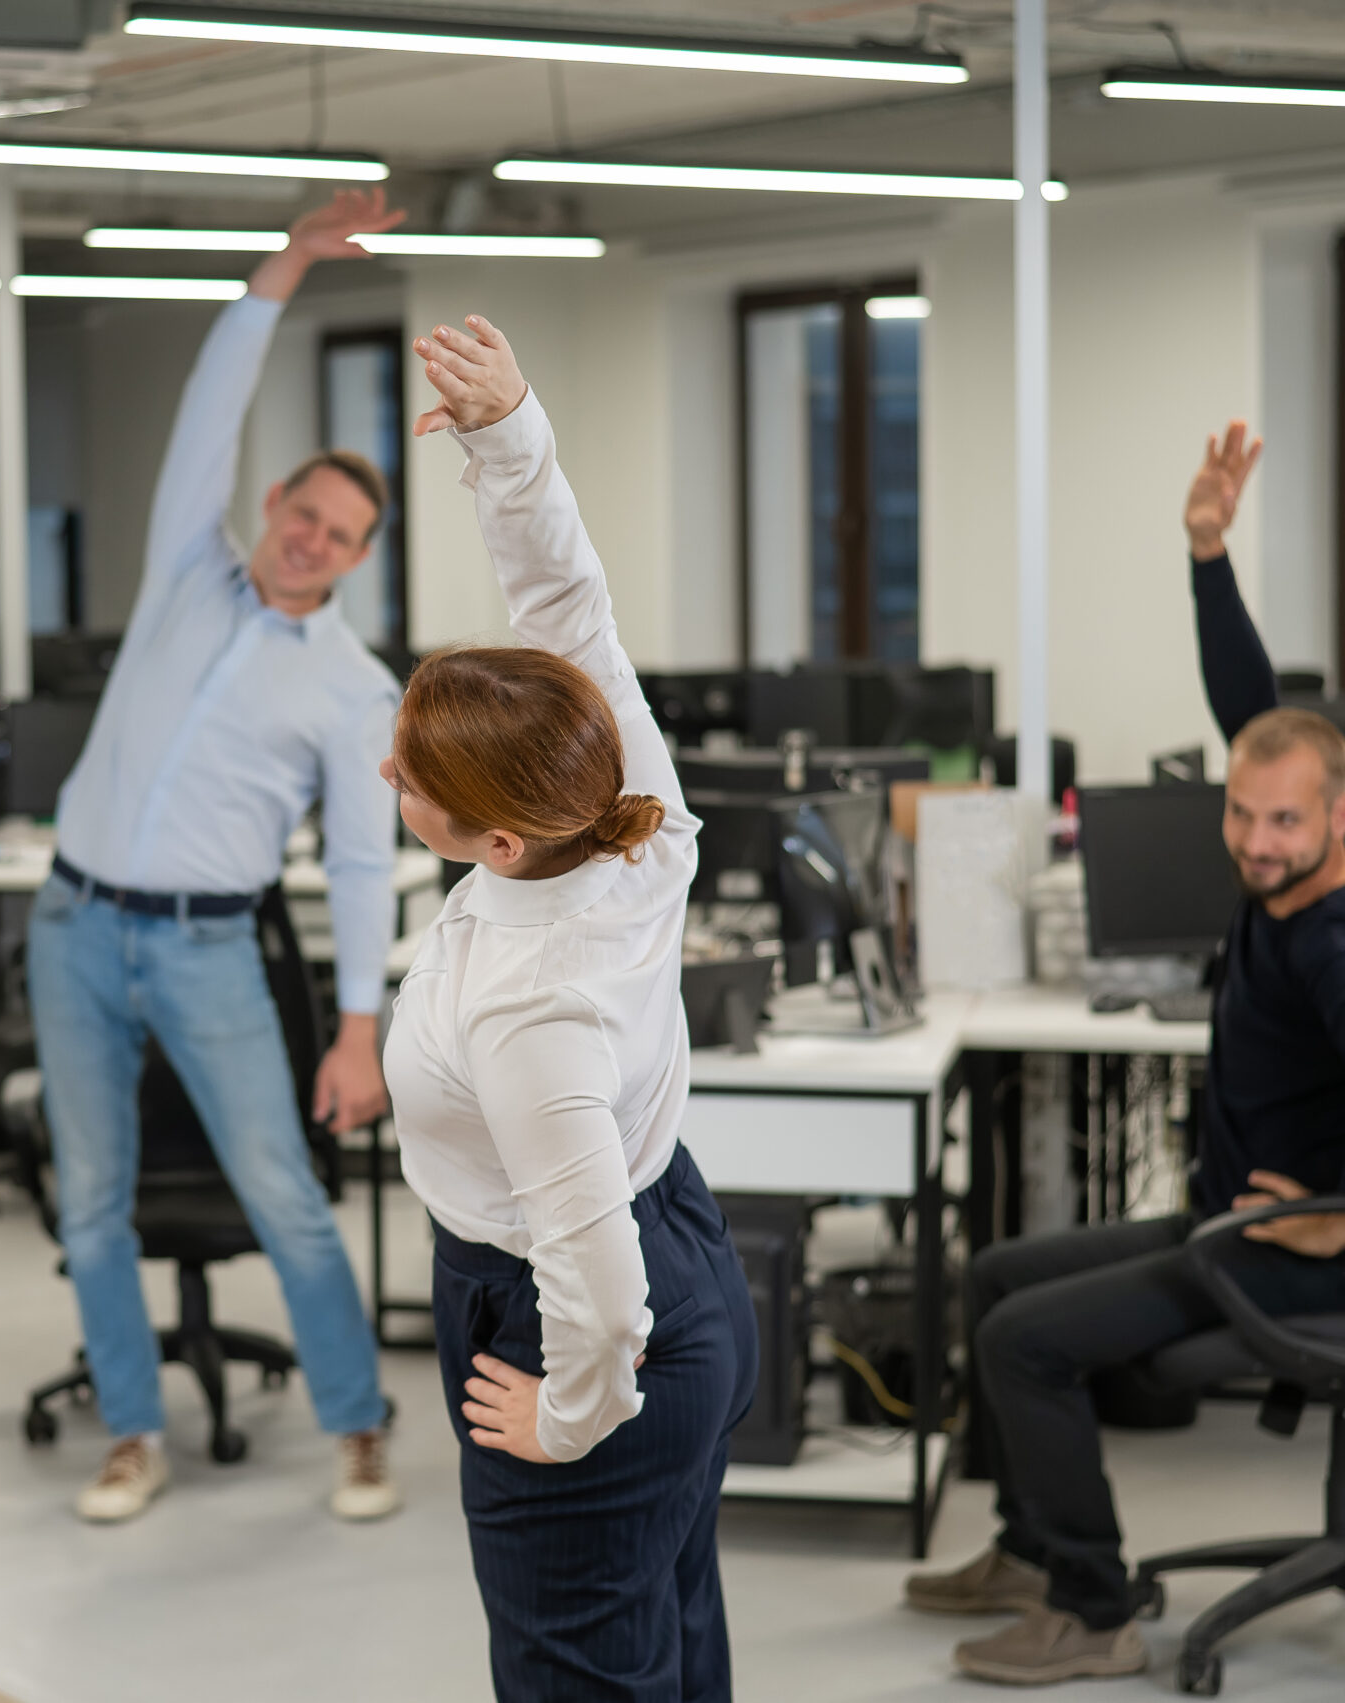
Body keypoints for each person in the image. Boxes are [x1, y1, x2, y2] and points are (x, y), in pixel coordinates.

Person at [906, 419, 1345, 1685]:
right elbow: (1254, 711)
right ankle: (1033, 1549)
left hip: (1292, 1265)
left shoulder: (1331, 939)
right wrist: (1207, 551)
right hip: (1228, 1221)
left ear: (1337, 819)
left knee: (1024, 1341)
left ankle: (1092, 1606)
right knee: (995, 1276)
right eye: (1243, 814)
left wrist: (1335, 1218)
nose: (1257, 840)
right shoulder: (1294, 853)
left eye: (1283, 823)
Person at [382, 314, 758, 1702]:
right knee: (668, 1640)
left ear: (492, 841)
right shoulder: (626, 817)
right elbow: (568, 613)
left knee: (583, 1678)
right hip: (692, 1245)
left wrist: (572, 1410)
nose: (388, 768)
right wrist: (508, 437)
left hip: (584, 1321)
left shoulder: (532, 1011)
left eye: (412, 773)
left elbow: (600, 1287)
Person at [30, 187, 407, 1525]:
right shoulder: (188, 565)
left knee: (287, 1196)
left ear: (361, 559)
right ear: (272, 503)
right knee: (91, 1202)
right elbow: (206, 402)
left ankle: (359, 1424)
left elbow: (367, 868)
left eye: (342, 535)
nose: (313, 540)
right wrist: (286, 268)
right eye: (303, 513)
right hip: (72, 924)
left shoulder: (358, 690)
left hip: (205, 944)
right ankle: (132, 1430)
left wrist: (360, 1028)